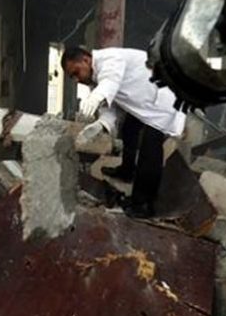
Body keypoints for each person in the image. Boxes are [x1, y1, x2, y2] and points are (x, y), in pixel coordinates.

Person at [62, 46, 186, 219]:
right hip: (144, 105)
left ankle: (143, 204)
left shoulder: (110, 59)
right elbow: (110, 108)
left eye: (76, 73)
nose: (76, 80)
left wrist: (96, 97)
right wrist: (101, 124)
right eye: (72, 77)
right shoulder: (96, 81)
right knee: (129, 130)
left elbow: (110, 81)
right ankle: (127, 171)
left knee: (150, 149)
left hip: (163, 102)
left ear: (86, 60)